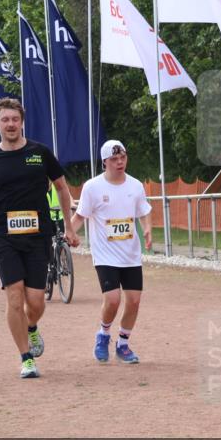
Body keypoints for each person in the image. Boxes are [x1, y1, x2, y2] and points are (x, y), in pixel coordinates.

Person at [0, 98, 79, 379]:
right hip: (4, 237)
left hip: (38, 235)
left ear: (22, 121)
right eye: (5, 120)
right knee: (15, 298)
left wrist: (69, 226)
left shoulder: (39, 153)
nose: (10, 124)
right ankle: (26, 358)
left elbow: (63, 189)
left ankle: (32, 327)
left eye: (14, 119)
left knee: (36, 302)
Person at [68, 140, 152, 364]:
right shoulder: (93, 187)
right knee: (113, 300)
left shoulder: (135, 186)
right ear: (105, 161)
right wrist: (69, 233)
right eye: (114, 159)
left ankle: (123, 344)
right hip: (105, 254)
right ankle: (103, 335)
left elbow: (143, 210)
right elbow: (80, 216)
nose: (120, 162)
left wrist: (147, 229)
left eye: (123, 157)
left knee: (134, 301)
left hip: (130, 254)